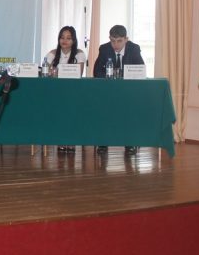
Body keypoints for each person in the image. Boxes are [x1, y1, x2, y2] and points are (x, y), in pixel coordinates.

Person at [92, 24, 145, 156]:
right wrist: (110, 77)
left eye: (119, 41)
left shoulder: (134, 49)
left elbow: (141, 70)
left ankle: (129, 143)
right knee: (103, 108)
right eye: (112, 41)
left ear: (126, 39)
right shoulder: (104, 49)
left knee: (129, 109)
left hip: (128, 91)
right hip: (108, 90)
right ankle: (103, 142)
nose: (115, 45)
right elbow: (96, 71)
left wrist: (123, 75)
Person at [44, 25, 88, 154]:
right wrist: (60, 72)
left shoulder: (79, 53)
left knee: (71, 112)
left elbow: (78, 72)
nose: (64, 40)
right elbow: (47, 72)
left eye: (68, 38)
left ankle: (71, 140)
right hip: (55, 90)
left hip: (74, 90)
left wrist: (57, 72)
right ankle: (61, 140)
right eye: (62, 37)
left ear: (74, 40)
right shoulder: (52, 54)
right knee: (59, 113)